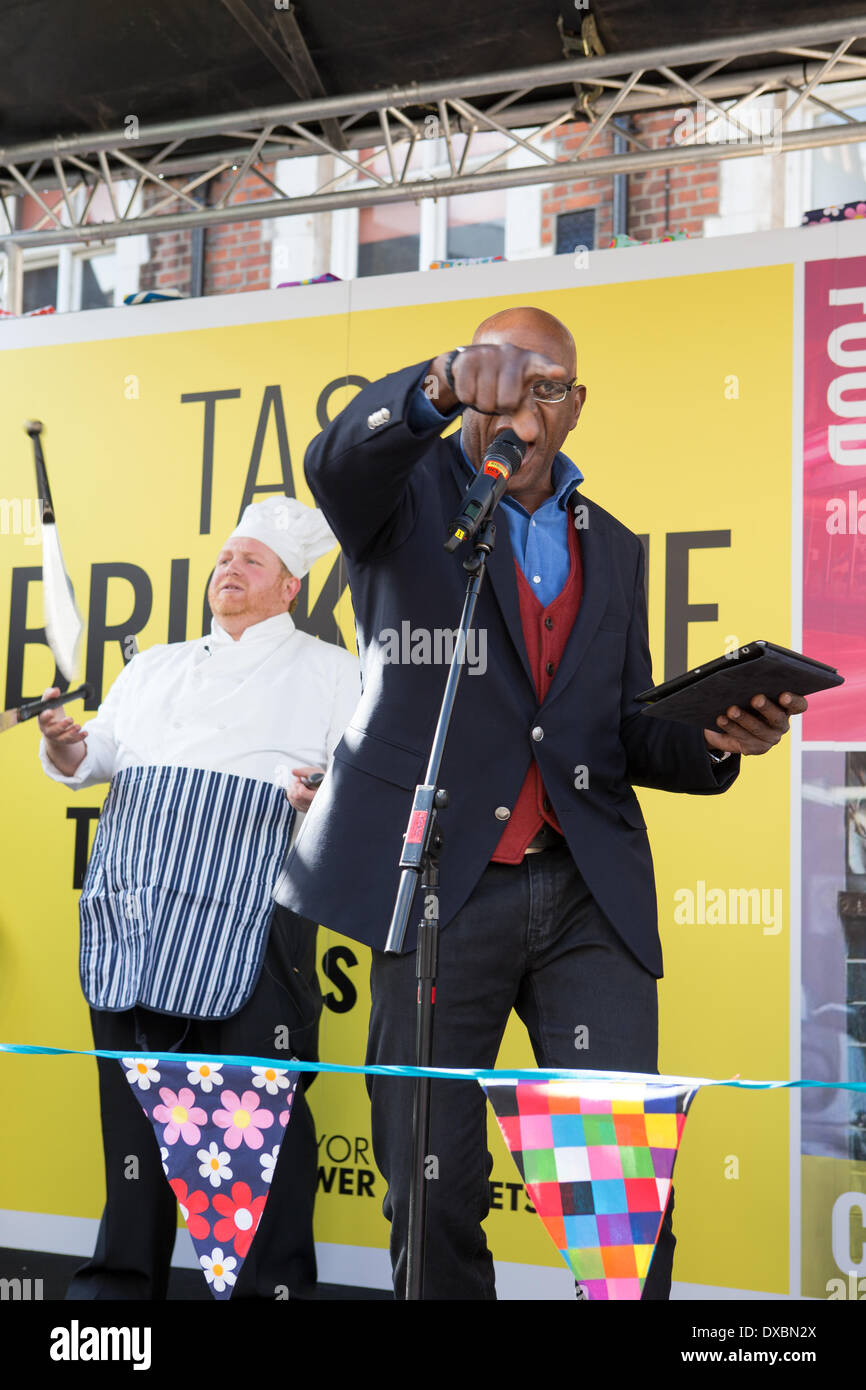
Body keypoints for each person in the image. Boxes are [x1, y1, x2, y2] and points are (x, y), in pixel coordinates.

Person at [274, 306, 807, 1301]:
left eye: (545, 382)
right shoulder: (402, 496)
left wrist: (715, 736)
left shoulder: (611, 544)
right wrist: (432, 384)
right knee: (430, 1185)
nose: (522, 397)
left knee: (618, 1189)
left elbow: (620, 728)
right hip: (439, 886)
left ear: (574, 406)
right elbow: (337, 461)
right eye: (499, 374)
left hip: (583, 893)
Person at [39, 496, 360, 1300]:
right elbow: (98, 755)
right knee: (134, 1132)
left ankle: (269, 1289)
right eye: (224, 558)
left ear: (290, 588)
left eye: (252, 561)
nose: (230, 569)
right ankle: (116, 1302)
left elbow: (355, 789)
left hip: (248, 921)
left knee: (253, 1126)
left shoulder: (331, 669)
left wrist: (320, 796)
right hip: (134, 916)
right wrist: (69, 747)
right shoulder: (156, 665)